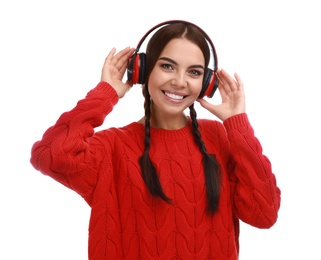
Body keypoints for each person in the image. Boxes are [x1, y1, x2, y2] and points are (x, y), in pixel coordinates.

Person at [30, 20, 281, 260]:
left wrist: (237, 125)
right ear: (142, 69)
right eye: (167, 66)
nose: (180, 81)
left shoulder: (221, 138)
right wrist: (105, 94)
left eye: (194, 72)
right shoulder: (112, 147)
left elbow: (264, 214)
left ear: (206, 83)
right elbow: (50, 155)